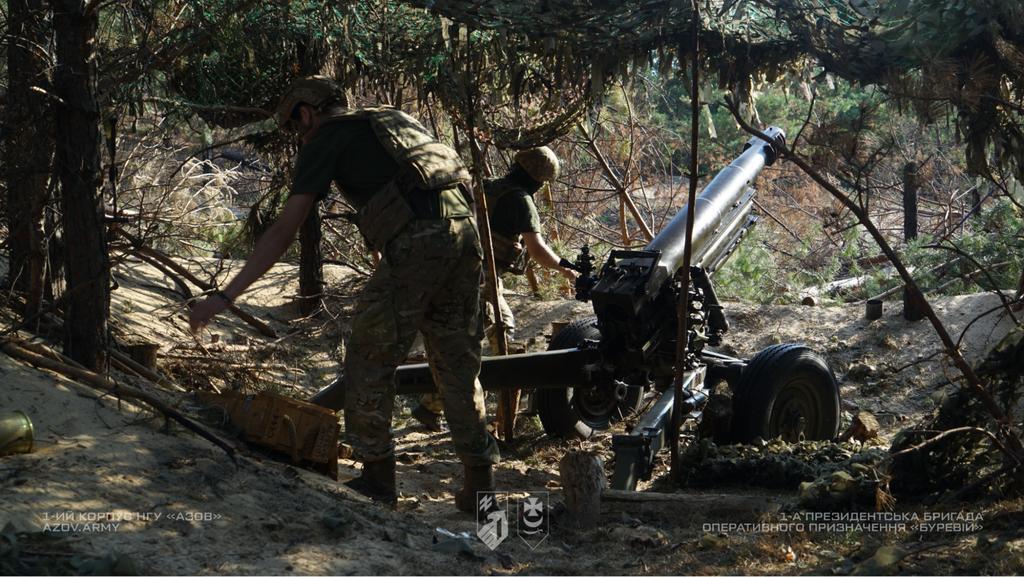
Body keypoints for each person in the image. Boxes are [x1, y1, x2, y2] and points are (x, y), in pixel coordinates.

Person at [188, 76, 499, 512]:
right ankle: (480, 488)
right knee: (457, 364)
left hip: (420, 242)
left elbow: (283, 230)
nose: (298, 135)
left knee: (369, 357)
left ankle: (378, 478)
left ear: (305, 114)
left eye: (294, 126)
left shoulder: (326, 137)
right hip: (466, 236)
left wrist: (224, 297)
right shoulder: (391, 120)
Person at [412, 146, 578, 431]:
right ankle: (490, 414)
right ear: (538, 179)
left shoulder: (486, 186)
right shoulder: (520, 200)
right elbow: (537, 249)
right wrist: (564, 268)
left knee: (476, 338)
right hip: (479, 278)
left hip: (450, 271)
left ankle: (433, 406)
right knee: (497, 338)